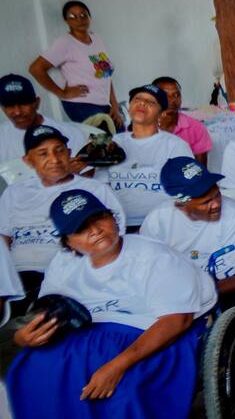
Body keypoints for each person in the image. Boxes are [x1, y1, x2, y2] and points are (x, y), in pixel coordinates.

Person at [9, 190, 214, 419]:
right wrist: (23, 336)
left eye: (98, 219)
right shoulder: (64, 265)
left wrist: (116, 365)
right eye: (81, 231)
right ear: (68, 241)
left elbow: (176, 321)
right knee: (27, 373)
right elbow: (48, 312)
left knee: (126, 392)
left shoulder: (152, 256)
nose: (96, 232)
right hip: (88, 338)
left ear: (112, 217)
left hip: (154, 336)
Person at [0, 123, 125, 308]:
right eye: (43, 154)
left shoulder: (95, 189)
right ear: (28, 160)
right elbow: (4, 237)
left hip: (68, 271)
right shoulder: (15, 192)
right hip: (16, 275)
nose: (54, 159)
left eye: (59, 151)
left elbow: (115, 236)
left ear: (69, 152)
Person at [139, 156, 235, 304]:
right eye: (206, 202)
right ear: (181, 204)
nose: (216, 204)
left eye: (217, 195)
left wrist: (198, 297)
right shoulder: (157, 221)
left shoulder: (234, 214)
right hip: (176, 295)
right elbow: (148, 273)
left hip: (225, 290)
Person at [99, 84, 192, 227]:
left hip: (162, 224)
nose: (142, 103)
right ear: (129, 107)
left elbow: (187, 189)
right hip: (118, 226)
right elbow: (100, 187)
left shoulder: (176, 146)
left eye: (150, 102)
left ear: (161, 113)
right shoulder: (113, 144)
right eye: (137, 99)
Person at [28, 0, 121, 127]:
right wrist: (62, 93)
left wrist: (114, 105)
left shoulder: (97, 39)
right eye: (72, 17)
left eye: (83, 15)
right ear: (66, 21)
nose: (79, 20)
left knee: (117, 138)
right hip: (81, 105)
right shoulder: (65, 43)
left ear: (89, 17)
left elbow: (106, 75)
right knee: (103, 142)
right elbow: (36, 68)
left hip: (104, 104)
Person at [0, 72, 94, 163]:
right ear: (2, 108)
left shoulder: (70, 133)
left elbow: (85, 173)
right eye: (9, 105)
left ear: (37, 103)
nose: (17, 112)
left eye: (23, 103)